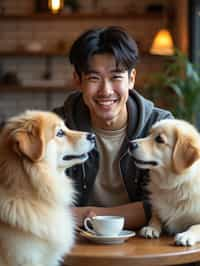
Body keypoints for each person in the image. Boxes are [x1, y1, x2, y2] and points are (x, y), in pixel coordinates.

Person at [54, 26, 173, 230]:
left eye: (116, 77)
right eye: (94, 78)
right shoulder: (57, 127)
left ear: (132, 79)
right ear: (77, 80)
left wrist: (88, 215)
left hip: (144, 243)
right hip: (73, 244)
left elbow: (163, 206)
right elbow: (39, 203)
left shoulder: (161, 129)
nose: (106, 90)